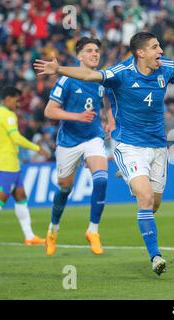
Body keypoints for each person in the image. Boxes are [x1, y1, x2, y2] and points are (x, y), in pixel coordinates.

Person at [34, 31, 174, 275]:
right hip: (128, 146)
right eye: (155, 47)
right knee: (144, 198)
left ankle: (129, 179)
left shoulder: (166, 68)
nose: (161, 51)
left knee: (154, 203)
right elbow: (90, 75)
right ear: (140, 53)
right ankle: (155, 256)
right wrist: (60, 69)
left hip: (158, 146)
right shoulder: (121, 73)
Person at [43, 37, 113, 257]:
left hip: (93, 137)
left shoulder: (102, 79)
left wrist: (110, 119)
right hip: (69, 141)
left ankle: (93, 230)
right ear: (79, 56)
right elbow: (50, 110)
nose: (95, 54)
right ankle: (53, 229)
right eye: (90, 51)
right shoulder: (67, 79)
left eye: (97, 51)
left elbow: (108, 101)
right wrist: (76, 116)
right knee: (65, 187)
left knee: (101, 178)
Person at [0, 86, 49, 245]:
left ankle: (29, 236)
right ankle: (29, 236)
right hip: (8, 165)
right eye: (15, 100)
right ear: (7, 98)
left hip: (9, 163)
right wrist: (38, 148)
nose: (17, 104)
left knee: (21, 197)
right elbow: (16, 138)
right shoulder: (8, 115)